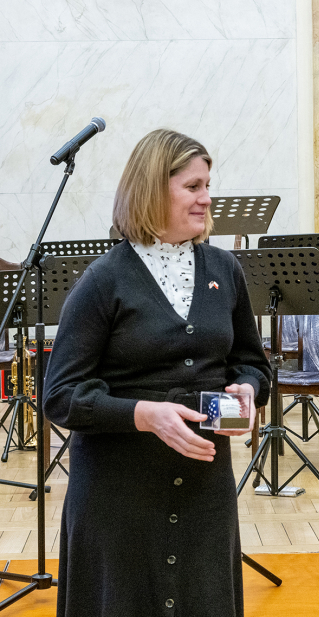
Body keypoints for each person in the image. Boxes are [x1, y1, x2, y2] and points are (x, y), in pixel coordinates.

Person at [43, 129, 272, 616]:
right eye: (193, 187)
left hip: (204, 492)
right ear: (152, 188)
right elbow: (60, 396)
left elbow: (252, 363)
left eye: (208, 184)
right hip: (118, 496)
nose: (207, 198)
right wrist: (144, 414)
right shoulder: (103, 280)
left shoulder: (225, 270)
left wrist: (249, 389)